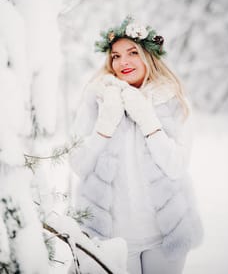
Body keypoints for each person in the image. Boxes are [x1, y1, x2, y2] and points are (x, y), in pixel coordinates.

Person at [69, 16, 203, 274]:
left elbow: (176, 166)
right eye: (116, 56)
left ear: (148, 56)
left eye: (132, 53)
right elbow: (78, 164)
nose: (123, 62)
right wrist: (104, 126)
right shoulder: (97, 97)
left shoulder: (173, 100)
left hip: (165, 236)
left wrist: (148, 120)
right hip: (111, 237)